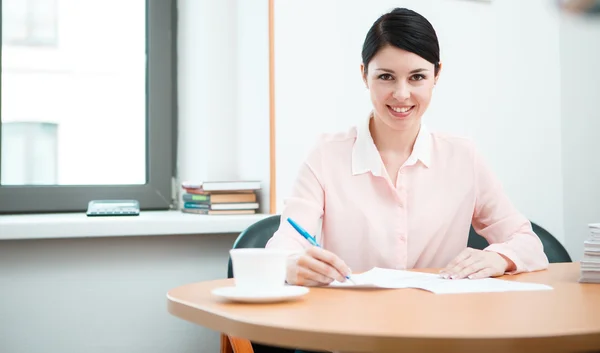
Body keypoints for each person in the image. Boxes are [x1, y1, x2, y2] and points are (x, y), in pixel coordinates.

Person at [265, 7, 549, 290]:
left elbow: (527, 242)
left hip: (437, 324)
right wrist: (290, 264)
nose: (401, 94)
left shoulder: (463, 157)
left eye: (417, 77)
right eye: (386, 77)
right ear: (364, 75)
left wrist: (500, 258)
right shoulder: (326, 155)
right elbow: (283, 247)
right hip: (350, 322)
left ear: (437, 75)